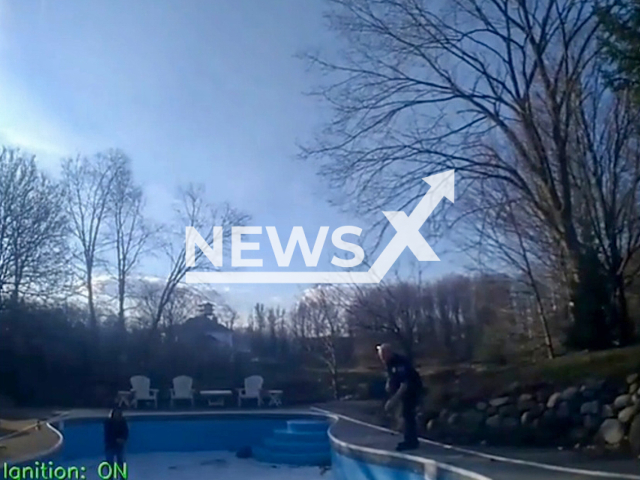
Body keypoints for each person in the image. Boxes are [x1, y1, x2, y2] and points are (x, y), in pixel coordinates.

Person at [377, 343, 423, 451]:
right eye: (380, 357)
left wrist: (393, 399)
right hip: (402, 387)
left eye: (383, 356)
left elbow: (404, 384)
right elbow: (391, 375)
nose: (382, 359)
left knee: (408, 413)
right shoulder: (389, 362)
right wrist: (389, 383)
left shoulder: (401, 362)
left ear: (389, 353)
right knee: (402, 412)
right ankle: (407, 436)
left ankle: (411, 442)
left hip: (412, 388)